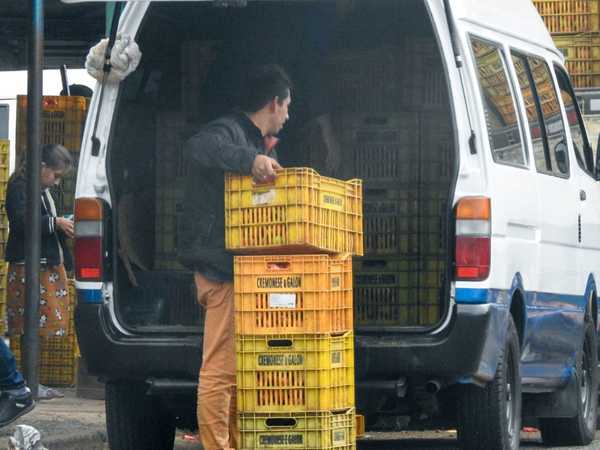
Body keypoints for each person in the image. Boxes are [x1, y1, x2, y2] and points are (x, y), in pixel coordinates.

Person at [178, 64, 292, 450]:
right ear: (274, 103)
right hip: (219, 268)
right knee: (220, 370)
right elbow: (198, 147)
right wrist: (251, 161)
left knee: (238, 370)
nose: (288, 117)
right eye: (287, 107)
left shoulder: (254, 140)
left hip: (238, 269)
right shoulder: (227, 131)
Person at [0, 144, 74, 426]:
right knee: (28, 322)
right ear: (42, 167)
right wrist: (55, 223)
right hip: (28, 264)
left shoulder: (41, 191)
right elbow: (21, 222)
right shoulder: (20, 187)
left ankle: (29, 381)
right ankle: (25, 382)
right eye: (55, 175)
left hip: (44, 262)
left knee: (40, 325)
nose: (56, 182)